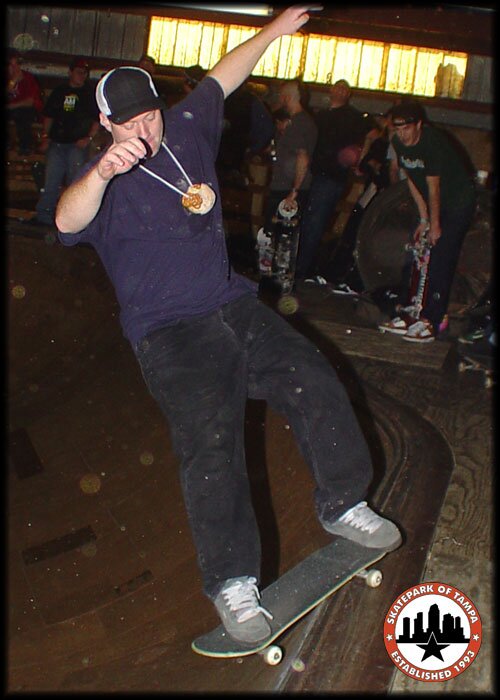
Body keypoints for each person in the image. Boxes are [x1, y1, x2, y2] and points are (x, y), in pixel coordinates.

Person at [55, 6, 402, 646]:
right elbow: (67, 222)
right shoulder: (101, 175)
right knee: (212, 445)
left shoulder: (183, 126)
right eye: (129, 121)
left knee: (312, 375)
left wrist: (274, 30)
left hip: (230, 304)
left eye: (150, 113)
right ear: (106, 123)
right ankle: (234, 587)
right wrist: (103, 170)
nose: (145, 128)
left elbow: (225, 75)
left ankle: (342, 504)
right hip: (169, 333)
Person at [378, 100, 476, 343]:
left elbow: (434, 188)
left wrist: (436, 225)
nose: (402, 134)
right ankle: (408, 312)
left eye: (406, 128)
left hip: (456, 203)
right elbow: (412, 180)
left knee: (440, 256)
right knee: (416, 251)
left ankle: (432, 319)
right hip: (432, 203)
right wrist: (423, 219)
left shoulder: (432, 143)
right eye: (397, 129)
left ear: (419, 125)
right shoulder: (398, 143)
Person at [295, 79, 380, 281]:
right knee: (305, 223)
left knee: (314, 224)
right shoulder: (321, 115)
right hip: (313, 175)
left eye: (345, 88)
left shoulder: (353, 117)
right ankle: (298, 267)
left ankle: (301, 271)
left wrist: (360, 160)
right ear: (331, 90)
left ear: (349, 94)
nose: (340, 90)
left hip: (331, 177)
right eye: (337, 87)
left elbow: (373, 134)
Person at [32, 57, 100, 226]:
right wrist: (46, 137)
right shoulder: (59, 91)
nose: (81, 76)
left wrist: (88, 138)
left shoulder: (89, 94)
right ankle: (44, 216)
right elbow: (49, 116)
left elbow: (96, 120)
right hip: (57, 143)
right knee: (51, 182)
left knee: (73, 183)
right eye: (78, 72)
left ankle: (70, 221)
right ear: (70, 73)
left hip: (77, 145)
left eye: (84, 73)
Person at [263, 81, 318, 245]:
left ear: (287, 98)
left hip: (287, 189)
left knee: (280, 237)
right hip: (287, 186)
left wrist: (294, 191)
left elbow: (302, 158)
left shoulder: (299, 124)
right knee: (281, 236)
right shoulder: (296, 123)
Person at [7, 50, 44, 155]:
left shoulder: (28, 78)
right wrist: (12, 83)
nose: (15, 69)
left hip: (27, 110)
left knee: (23, 115)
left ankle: (26, 147)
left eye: (17, 65)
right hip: (11, 110)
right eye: (11, 66)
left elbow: (30, 101)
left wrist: (11, 106)